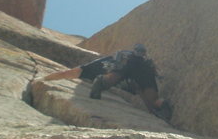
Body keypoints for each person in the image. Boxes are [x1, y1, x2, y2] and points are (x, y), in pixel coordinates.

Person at [41, 44, 173, 121]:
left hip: (131, 72)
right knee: (152, 99)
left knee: (118, 75)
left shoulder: (128, 58)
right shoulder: (143, 62)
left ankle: (102, 82)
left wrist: (46, 79)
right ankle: (161, 107)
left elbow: (79, 71)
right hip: (139, 73)